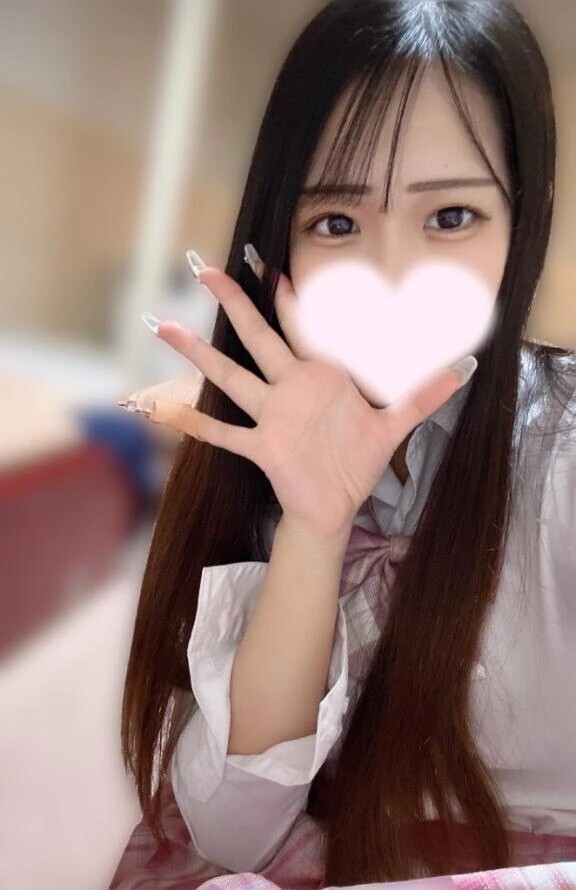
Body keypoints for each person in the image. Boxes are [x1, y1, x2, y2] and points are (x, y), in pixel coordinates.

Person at [111, 0, 576, 886]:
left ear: (525, 221)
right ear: (278, 241)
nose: (391, 275)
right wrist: (313, 529)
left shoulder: (563, 452)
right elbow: (233, 834)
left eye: (451, 218)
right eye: (336, 223)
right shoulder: (257, 448)